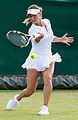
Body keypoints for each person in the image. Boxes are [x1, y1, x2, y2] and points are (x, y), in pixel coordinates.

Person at [6, 4, 74, 115]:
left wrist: (60, 39)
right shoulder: (32, 29)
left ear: (40, 14)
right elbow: (37, 40)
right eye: (30, 16)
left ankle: (45, 108)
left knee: (48, 78)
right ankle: (17, 98)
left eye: (34, 15)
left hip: (48, 57)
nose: (32, 18)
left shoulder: (47, 22)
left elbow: (50, 38)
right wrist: (38, 37)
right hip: (36, 58)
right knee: (30, 90)